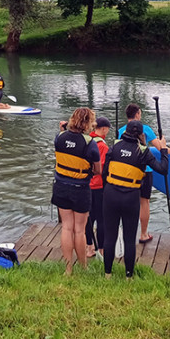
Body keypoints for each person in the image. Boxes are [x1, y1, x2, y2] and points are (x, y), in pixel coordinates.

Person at [102, 120, 169, 279]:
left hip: (110, 194)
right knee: (129, 238)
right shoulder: (143, 151)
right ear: (141, 135)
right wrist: (164, 149)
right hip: (130, 197)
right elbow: (163, 169)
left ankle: (107, 275)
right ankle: (128, 277)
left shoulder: (114, 147)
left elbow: (104, 173)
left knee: (110, 236)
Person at [117, 103, 170, 243]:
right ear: (138, 114)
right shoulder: (145, 129)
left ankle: (127, 232)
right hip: (145, 171)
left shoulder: (120, 130)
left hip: (127, 171)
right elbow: (159, 148)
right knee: (144, 202)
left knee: (129, 202)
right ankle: (143, 234)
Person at [52, 107, 100, 275]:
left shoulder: (59, 137)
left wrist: (63, 130)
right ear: (87, 124)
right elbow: (98, 170)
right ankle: (83, 266)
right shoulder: (90, 144)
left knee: (66, 227)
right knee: (79, 230)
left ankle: (68, 269)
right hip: (80, 189)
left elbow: (63, 144)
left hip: (61, 186)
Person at [85, 116, 112, 259]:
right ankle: (101, 249)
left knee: (88, 217)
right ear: (103, 129)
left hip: (85, 185)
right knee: (101, 219)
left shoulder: (86, 140)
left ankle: (89, 247)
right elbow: (103, 169)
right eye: (107, 130)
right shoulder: (103, 146)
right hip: (99, 187)